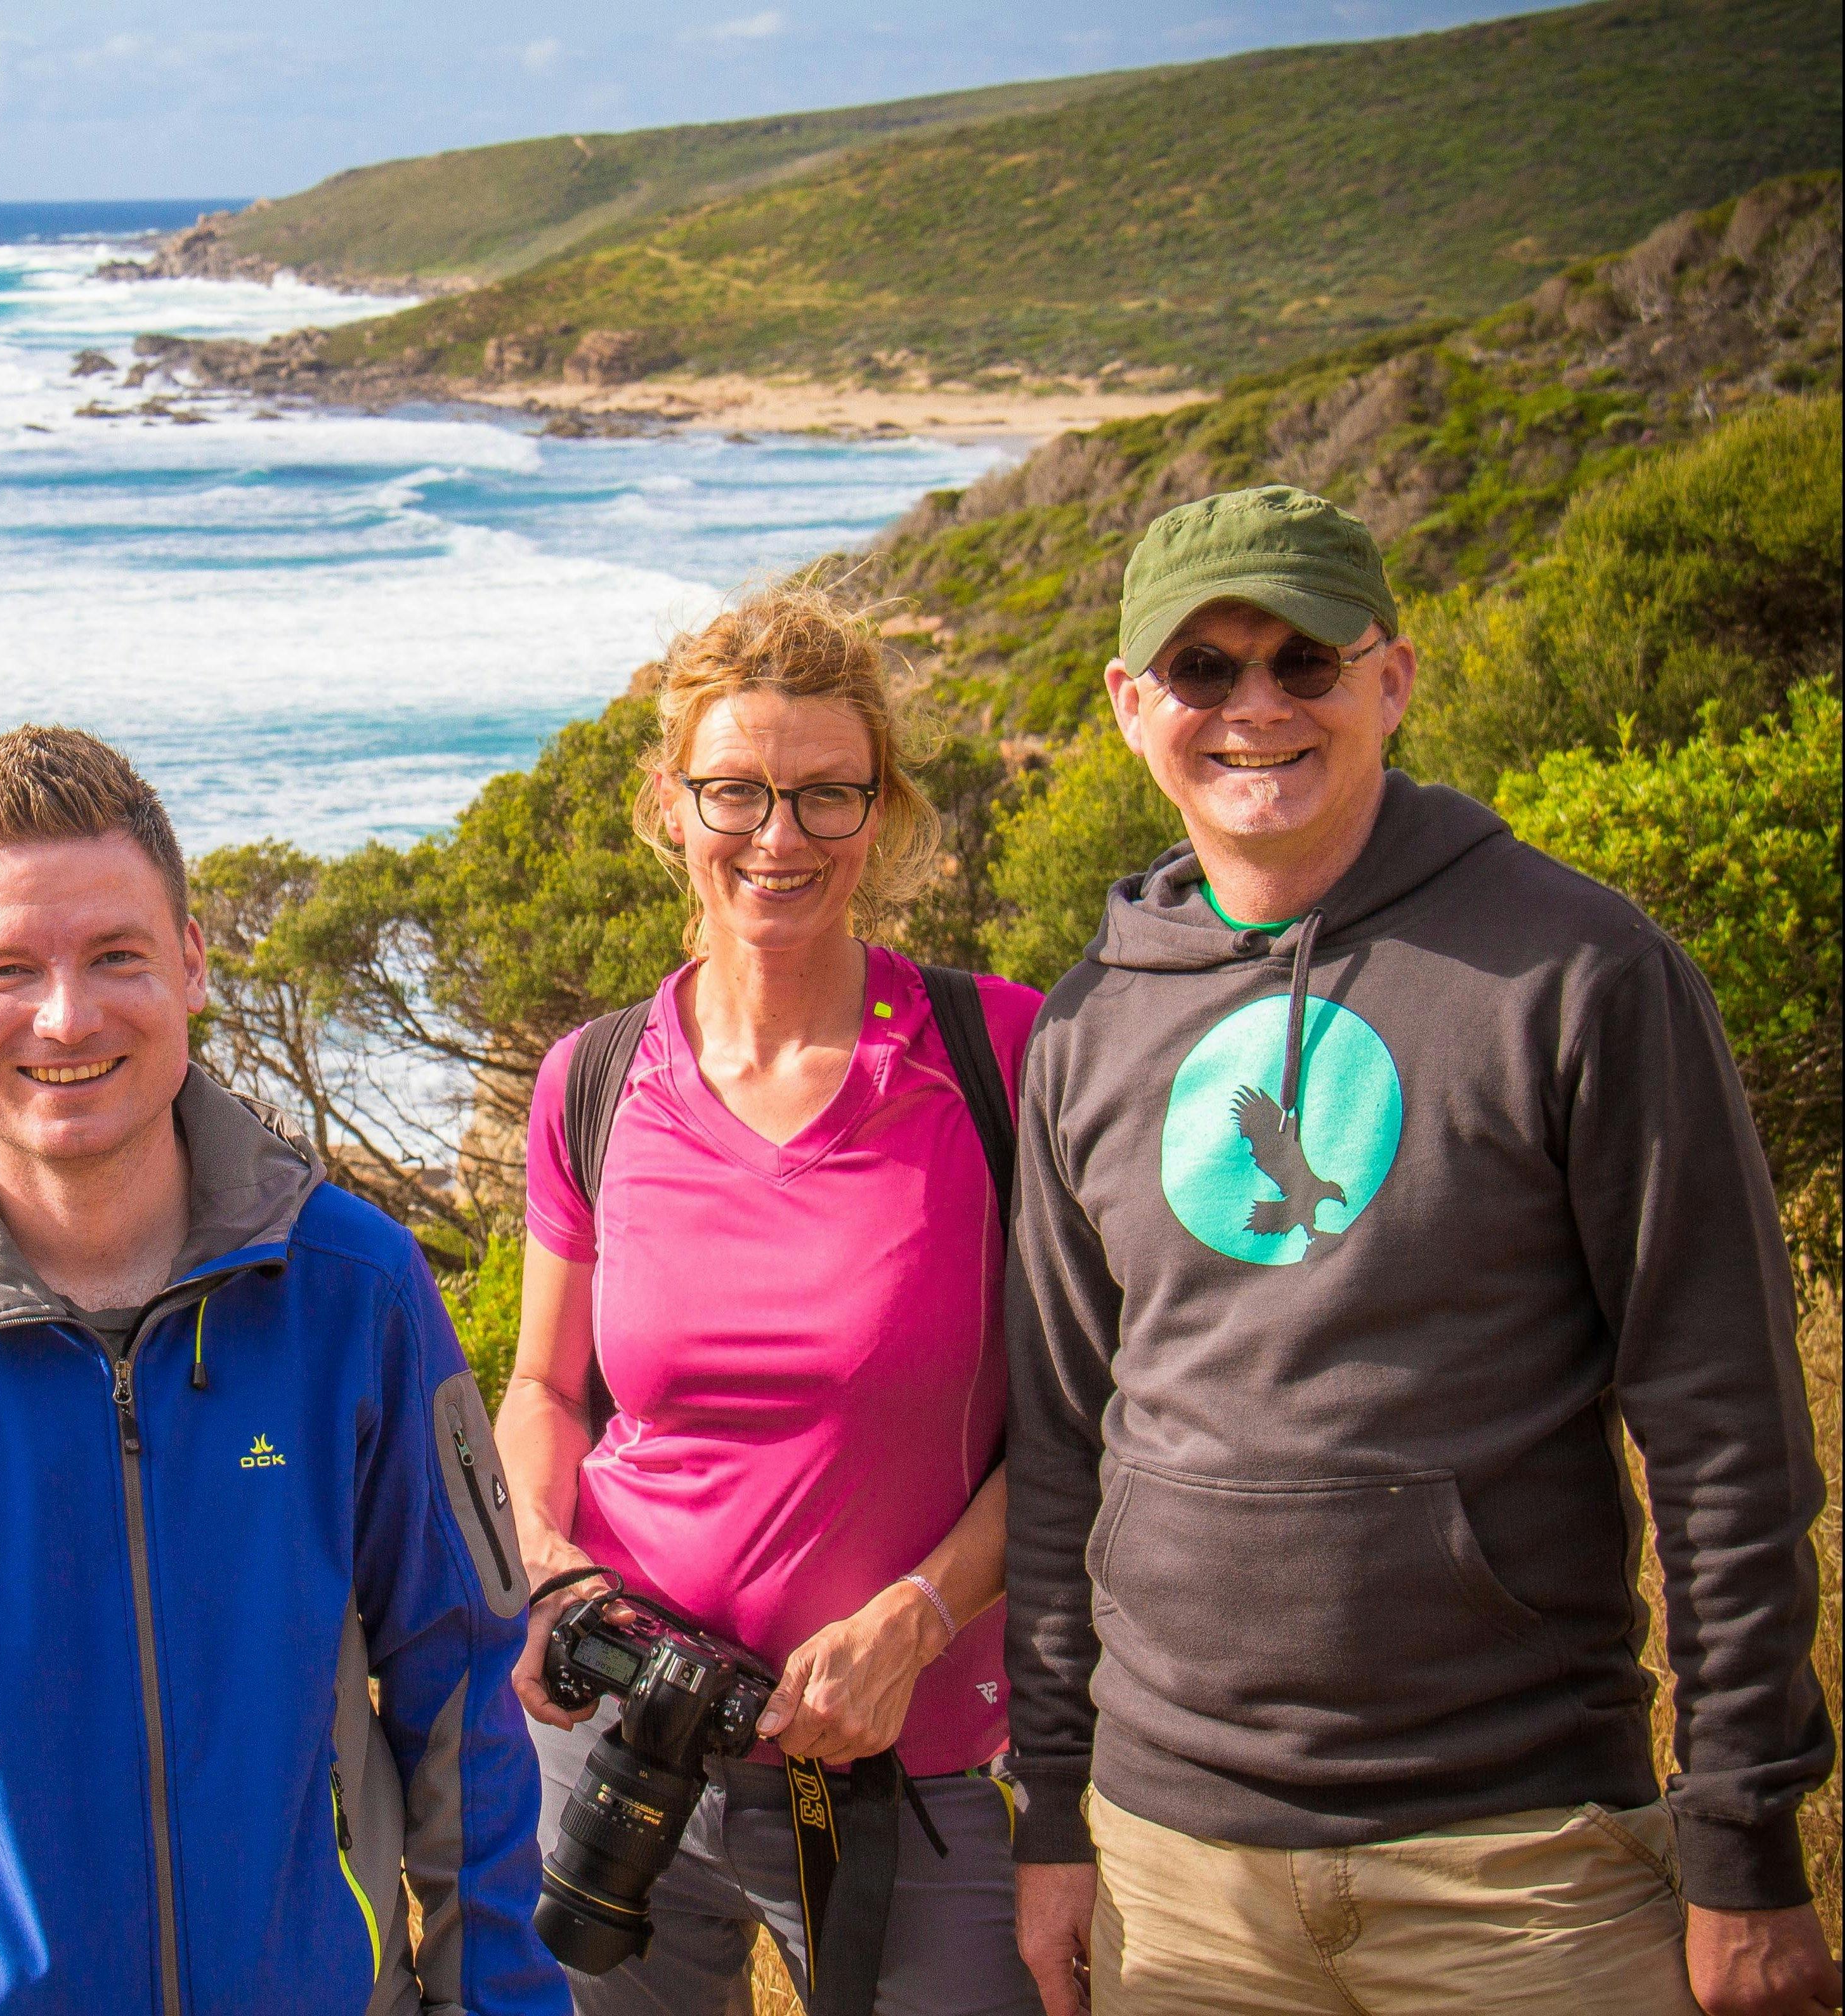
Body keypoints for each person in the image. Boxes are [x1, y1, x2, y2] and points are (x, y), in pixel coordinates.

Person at [1005, 485, 1841, 2016]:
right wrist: (1055, 1809)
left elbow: (1725, 1425)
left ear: (1390, 678)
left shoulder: (1585, 973)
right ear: (1132, 705)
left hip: (1520, 1860)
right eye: (1204, 669)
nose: (1256, 707)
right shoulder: (1087, 1026)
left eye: (1305, 661)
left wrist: (1741, 1834)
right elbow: (1064, 1442)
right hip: (1174, 1872)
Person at [0, 726, 566, 2016]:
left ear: (191, 961)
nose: (67, 1016)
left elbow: (466, 1699)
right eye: (6, 968)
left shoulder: (355, 1291)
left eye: (115, 955)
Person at [498, 579, 1046, 2016]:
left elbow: (1079, 1421)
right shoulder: (593, 1079)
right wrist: (541, 1563)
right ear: (672, 804)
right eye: (735, 791)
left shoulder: (998, 1053)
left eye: (826, 795)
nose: (779, 837)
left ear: (884, 809)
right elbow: (546, 1386)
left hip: (914, 1763)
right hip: (620, 1748)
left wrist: (915, 1619)